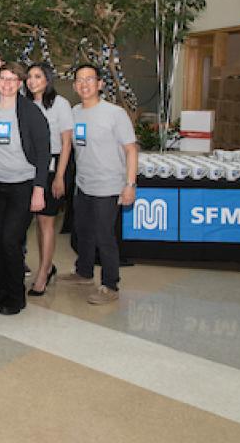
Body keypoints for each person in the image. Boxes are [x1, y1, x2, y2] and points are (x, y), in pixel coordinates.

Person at [0, 62, 50, 315]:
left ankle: (16, 296)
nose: (6, 83)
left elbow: (43, 152)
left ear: (19, 83)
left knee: (10, 241)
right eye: (2, 78)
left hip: (24, 186)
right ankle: (3, 289)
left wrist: (39, 189)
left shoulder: (31, 112)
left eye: (12, 79)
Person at [60, 64, 137, 305]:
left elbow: (131, 150)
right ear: (74, 86)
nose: (84, 84)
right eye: (79, 80)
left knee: (104, 236)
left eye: (89, 79)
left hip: (109, 185)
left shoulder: (115, 113)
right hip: (83, 184)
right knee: (82, 231)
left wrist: (130, 184)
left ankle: (110, 284)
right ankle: (83, 272)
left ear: (100, 84)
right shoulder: (74, 112)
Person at [25, 63, 73, 296]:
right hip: (27, 168)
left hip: (52, 167)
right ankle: (47, 264)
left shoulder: (60, 104)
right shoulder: (23, 104)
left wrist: (60, 177)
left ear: (48, 79)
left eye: (38, 76)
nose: (32, 81)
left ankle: (43, 273)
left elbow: (66, 144)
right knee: (37, 221)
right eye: (29, 77)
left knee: (47, 222)